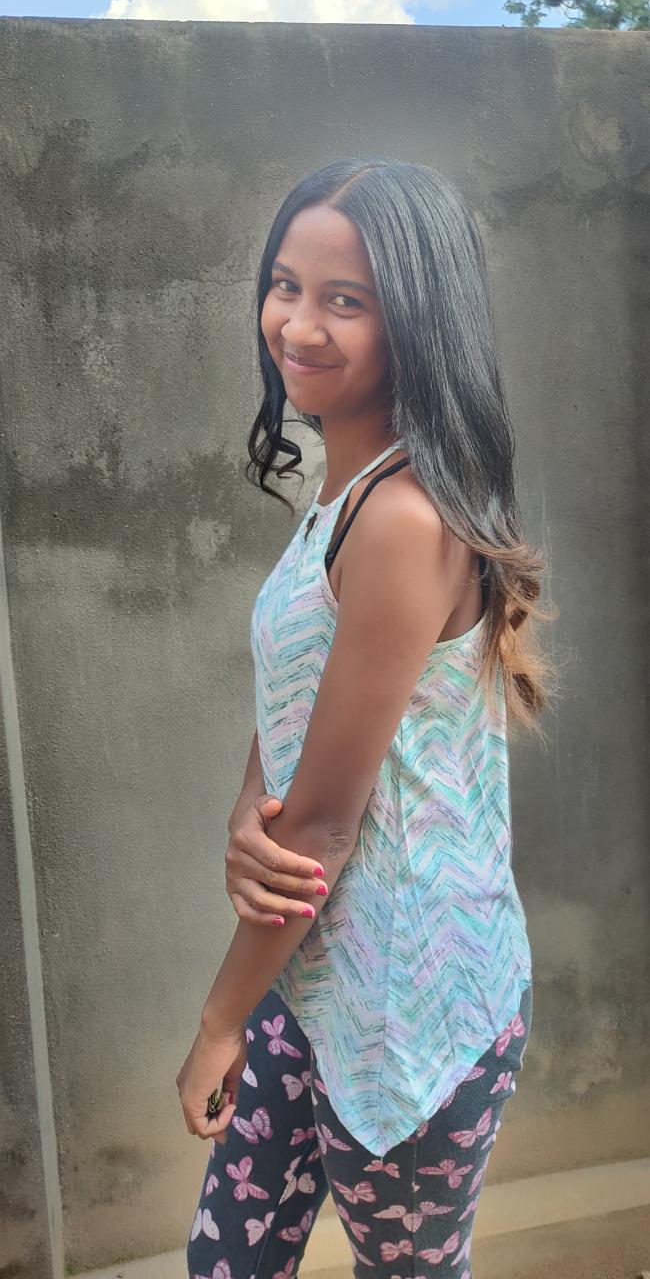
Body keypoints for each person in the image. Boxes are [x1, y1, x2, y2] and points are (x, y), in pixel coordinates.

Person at [177, 157, 554, 1279]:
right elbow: (301, 692)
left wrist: (215, 1021)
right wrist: (250, 803)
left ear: (418, 322)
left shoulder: (402, 517)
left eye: (345, 299)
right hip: (309, 976)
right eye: (285, 284)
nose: (298, 324)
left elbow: (327, 828)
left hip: (411, 1010)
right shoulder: (347, 493)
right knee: (228, 1262)